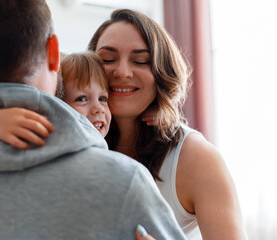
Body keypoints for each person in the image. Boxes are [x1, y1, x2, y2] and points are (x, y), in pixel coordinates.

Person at [0, 1, 188, 239]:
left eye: (103, 98)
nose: (122, 73)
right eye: (82, 98)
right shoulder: (125, 182)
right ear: (53, 53)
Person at [88, 9, 248, 239]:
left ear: (162, 73)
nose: (122, 72)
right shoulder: (75, 144)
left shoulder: (196, 158)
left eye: (140, 61)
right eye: (108, 60)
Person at [0, 52, 111, 147]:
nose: (99, 108)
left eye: (103, 98)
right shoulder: (37, 128)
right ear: (56, 104)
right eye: (82, 99)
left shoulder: (101, 146)